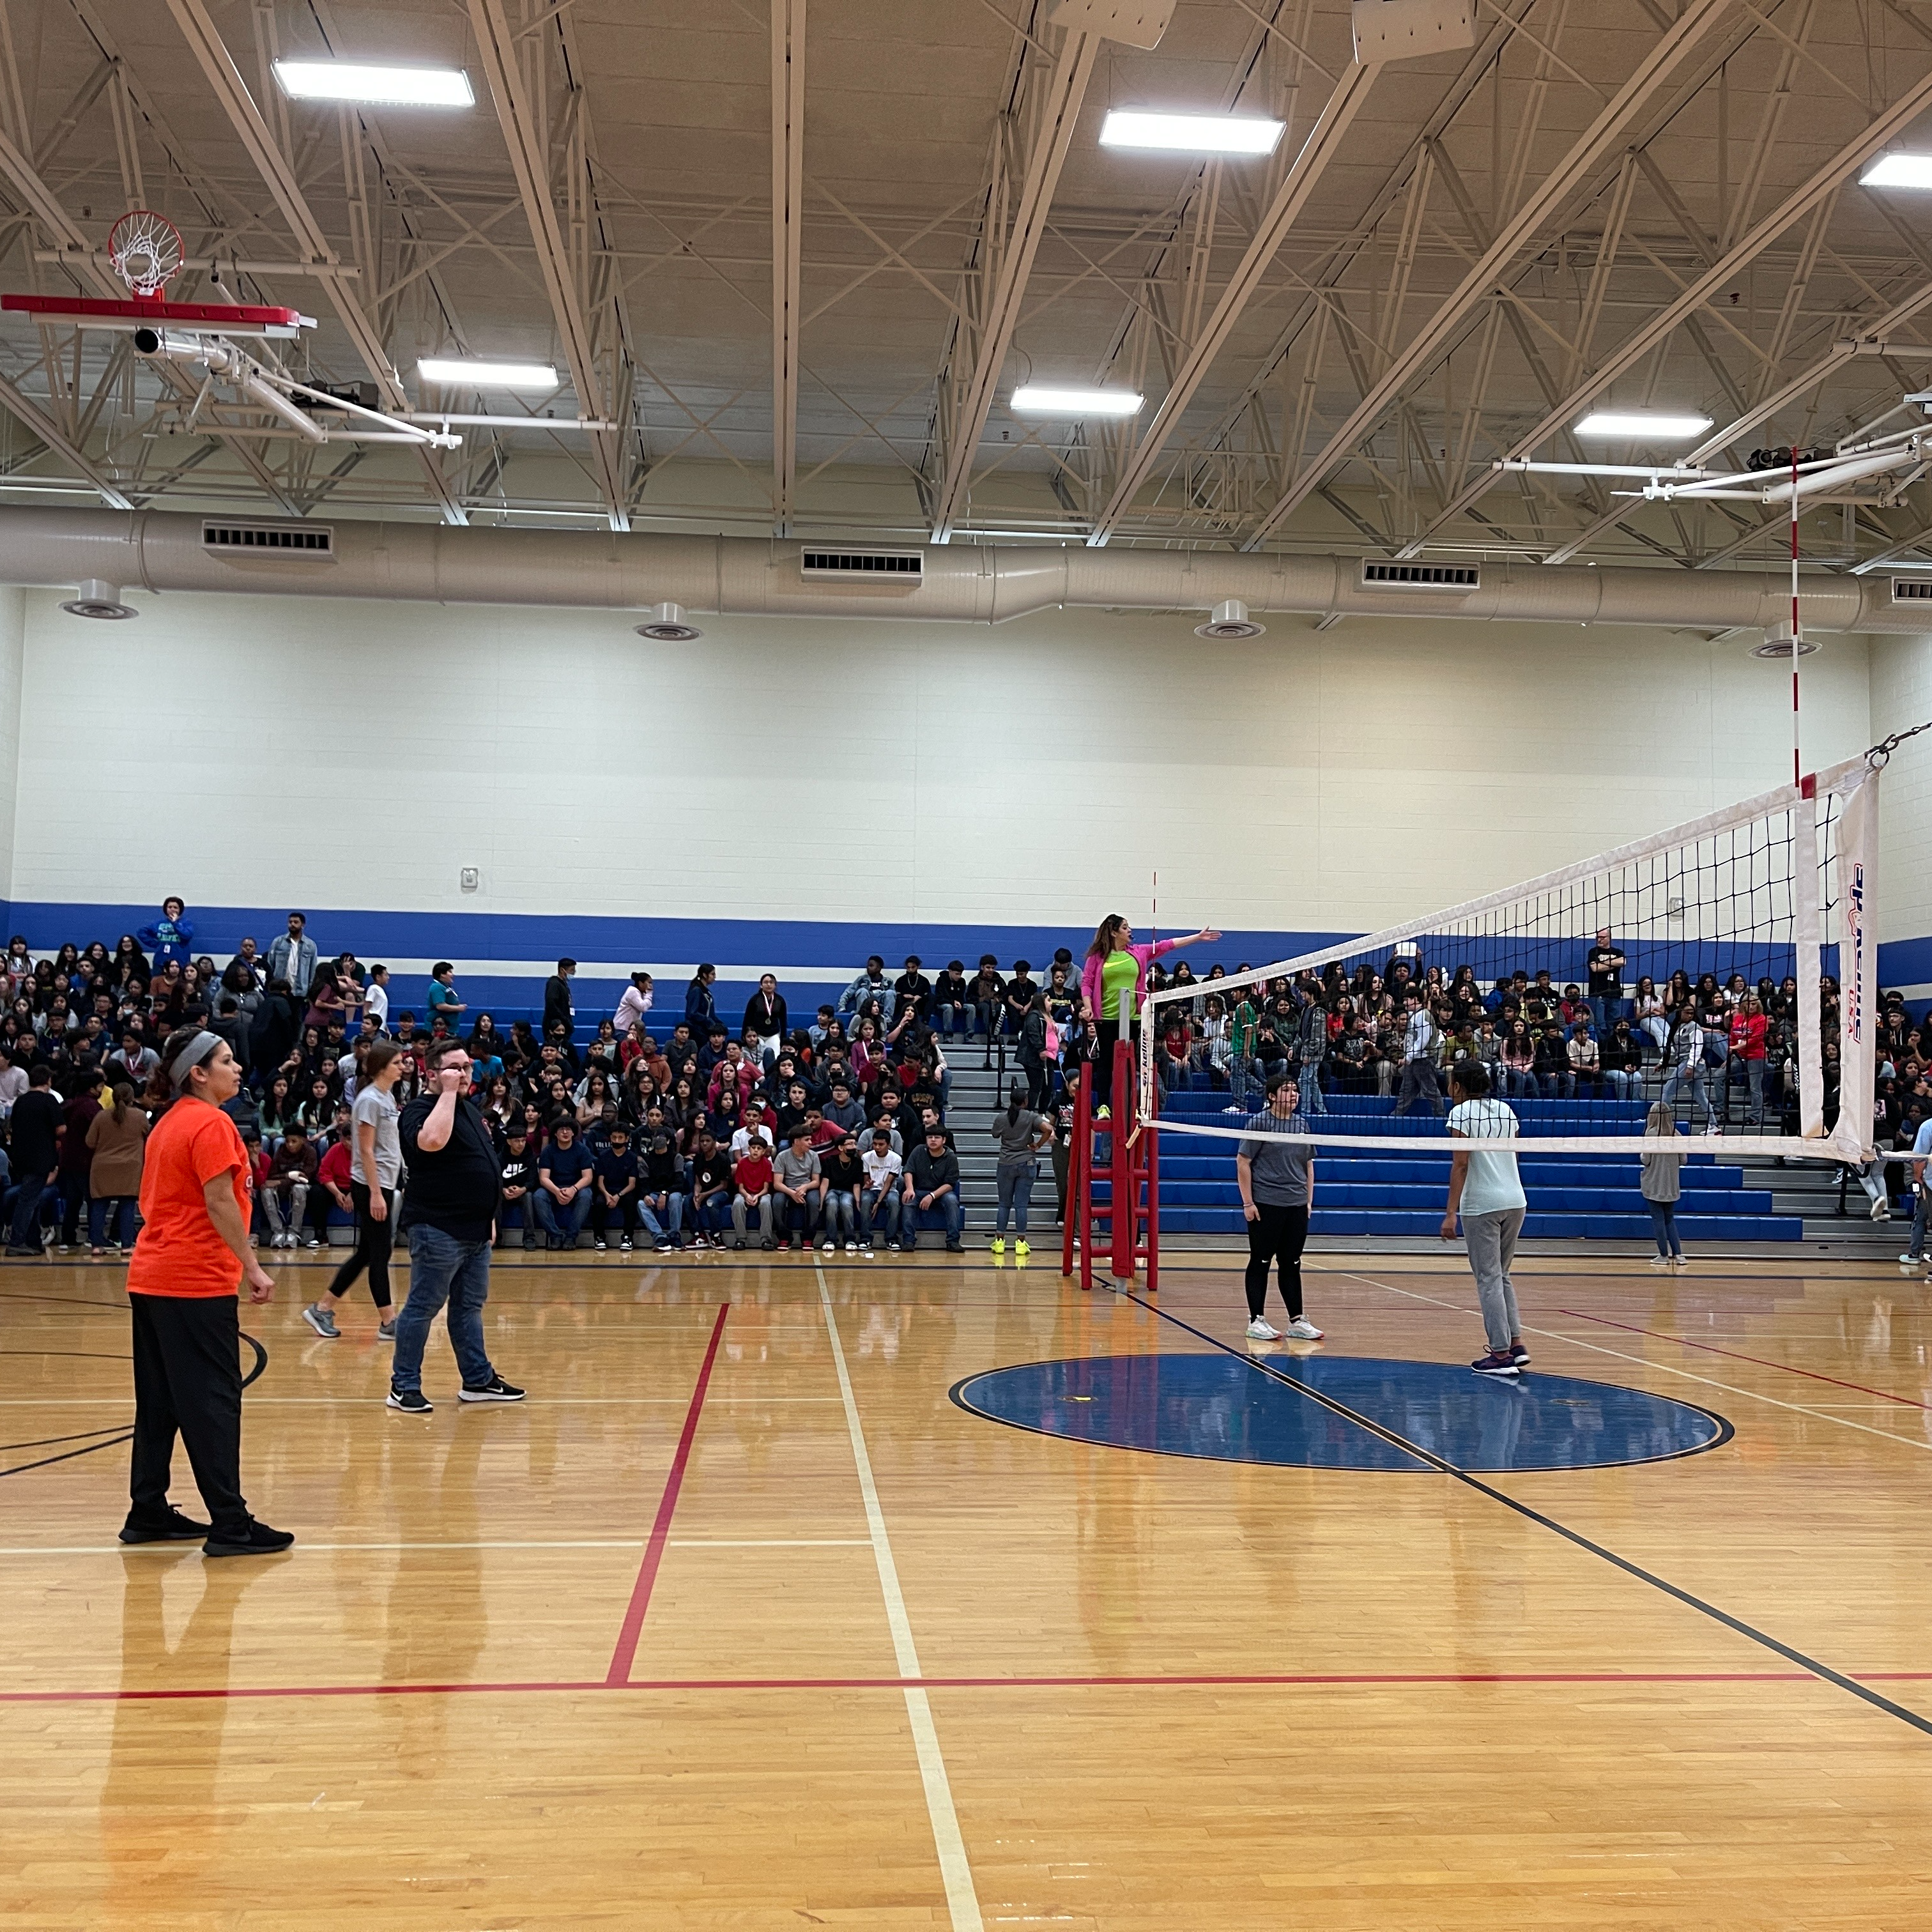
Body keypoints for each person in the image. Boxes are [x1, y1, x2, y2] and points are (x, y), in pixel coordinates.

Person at [121, 1027, 291, 1556]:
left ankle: (147, 1510)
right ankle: (231, 1524)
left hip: (151, 1277)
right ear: (198, 1073)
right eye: (225, 1060)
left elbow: (155, 1205)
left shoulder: (168, 1123)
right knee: (213, 1402)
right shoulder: (212, 1123)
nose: (237, 1068)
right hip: (193, 1282)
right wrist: (253, 1268)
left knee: (161, 1402)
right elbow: (220, 1201)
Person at [388, 1037, 522, 1413]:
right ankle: (404, 1386)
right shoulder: (418, 1109)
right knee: (422, 1308)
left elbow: (483, 1166)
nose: (464, 1074)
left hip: (475, 1230)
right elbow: (431, 1142)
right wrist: (447, 1092)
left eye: (466, 1067)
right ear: (432, 1073)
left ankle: (477, 1380)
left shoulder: (470, 1110)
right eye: (454, 1068)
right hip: (438, 1227)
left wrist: (489, 1219)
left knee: (468, 1308)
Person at [303, 1038, 405, 1338]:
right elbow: (367, 1151)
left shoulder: (386, 1097)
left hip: (384, 1182)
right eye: (397, 1063)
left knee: (367, 1253)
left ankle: (321, 1309)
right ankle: (389, 1323)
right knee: (378, 1254)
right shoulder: (370, 1099)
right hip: (372, 1185)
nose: (403, 1067)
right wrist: (375, 1193)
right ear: (381, 1067)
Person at [1440, 1061, 1529, 1379]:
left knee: (1489, 1278)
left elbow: (1461, 1165)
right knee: (1502, 1275)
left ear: (1458, 1087)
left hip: (1482, 1205)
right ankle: (1517, 1345)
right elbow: (1514, 1155)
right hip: (1515, 1200)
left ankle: (1501, 1354)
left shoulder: (1460, 1114)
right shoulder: (1506, 1110)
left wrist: (1451, 1214)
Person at [1235, 1071, 1324, 1343]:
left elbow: (1308, 1164)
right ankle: (1256, 1320)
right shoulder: (1259, 1123)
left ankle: (1297, 1320)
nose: (1294, 1094)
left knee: (1292, 1263)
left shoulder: (1302, 1125)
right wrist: (1248, 1202)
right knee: (1261, 1261)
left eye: (1295, 1090)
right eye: (1287, 1090)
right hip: (1266, 1203)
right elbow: (1243, 1162)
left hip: (1295, 1205)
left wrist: (1308, 1201)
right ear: (1272, 1096)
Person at [85, 1082, 149, 1257]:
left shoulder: (101, 1116)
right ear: (131, 1097)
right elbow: (148, 1136)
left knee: (99, 1205)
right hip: (130, 1167)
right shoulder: (140, 1116)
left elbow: (90, 1142)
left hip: (102, 1166)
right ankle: (127, 1245)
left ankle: (97, 1245)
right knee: (127, 1206)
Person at [990, 1078, 1051, 1258]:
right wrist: (1038, 1145)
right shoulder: (1031, 1117)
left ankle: (1000, 1242)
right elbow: (1048, 1128)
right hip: (1026, 1162)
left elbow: (995, 1135)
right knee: (1021, 1205)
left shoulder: (1002, 1118)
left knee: (1004, 1204)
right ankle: (1021, 1244)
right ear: (1025, 1101)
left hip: (1006, 1163)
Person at [6, 1062, 61, 1254]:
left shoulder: (20, 1101)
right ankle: (17, 1242)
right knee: (28, 1200)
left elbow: (11, 1126)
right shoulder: (49, 1101)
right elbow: (61, 1128)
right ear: (48, 1081)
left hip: (20, 1156)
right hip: (41, 1157)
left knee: (32, 1198)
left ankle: (32, 1241)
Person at [901, 1125, 963, 1252]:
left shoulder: (951, 1157)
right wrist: (910, 1188)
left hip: (941, 1193)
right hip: (918, 1190)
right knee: (908, 1200)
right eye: (930, 1137)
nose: (933, 1140)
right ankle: (908, 1241)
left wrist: (932, 1196)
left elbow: (950, 1184)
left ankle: (953, 1241)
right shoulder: (918, 1150)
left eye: (937, 1137)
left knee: (952, 1201)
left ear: (944, 1140)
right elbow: (908, 1170)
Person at [534, 1119, 595, 1248]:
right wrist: (557, 1191)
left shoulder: (582, 1150)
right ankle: (555, 1236)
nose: (565, 1132)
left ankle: (571, 1237)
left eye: (568, 1129)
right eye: (561, 1129)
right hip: (554, 1188)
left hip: (576, 1187)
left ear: (574, 1133)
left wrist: (573, 1189)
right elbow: (543, 1178)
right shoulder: (548, 1151)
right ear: (555, 1134)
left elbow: (588, 1177)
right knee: (539, 1196)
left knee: (586, 1195)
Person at [1642, 1098, 1686, 1269]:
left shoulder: (1650, 1135)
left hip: (1654, 1183)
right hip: (1671, 1184)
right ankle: (1679, 1254)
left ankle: (1663, 1255)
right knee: (1669, 1219)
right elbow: (1684, 1159)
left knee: (1658, 1219)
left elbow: (1646, 1159)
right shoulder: (1677, 1134)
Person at [261, 1126, 316, 1248]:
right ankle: (278, 1232)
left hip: (304, 1186)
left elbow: (305, 1178)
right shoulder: (280, 1151)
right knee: (266, 1190)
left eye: (294, 1141)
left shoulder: (310, 1152)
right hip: (283, 1187)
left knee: (298, 1189)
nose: (290, 1145)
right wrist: (289, 1176)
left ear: (303, 1140)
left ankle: (294, 1232)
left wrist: (281, 1181)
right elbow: (272, 1176)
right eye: (287, 1141)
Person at [772, 1122, 822, 1250]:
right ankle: (784, 1237)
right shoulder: (782, 1156)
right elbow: (777, 1184)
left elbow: (816, 1181)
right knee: (777, 1201)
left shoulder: (814, 1156)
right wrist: (792, 1193)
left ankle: (808, 1238)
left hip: (807, 1188)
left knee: (814, 1200)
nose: (811, 1142)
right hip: (787, 1189)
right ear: (796, 1141)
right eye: (807, 1140)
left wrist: (805, 1187)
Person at [590, 1126, 641, 1252]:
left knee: (630, 1201)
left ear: (627, 1139)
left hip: (624, 1191)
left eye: (620, 1138)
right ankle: (599, 1237)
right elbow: (600, 1182)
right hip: (606, 1190)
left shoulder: (632, 1157)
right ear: (610, 1138)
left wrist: (618, 1195)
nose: (617, 1140)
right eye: (614, 1137)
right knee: (599, 1202)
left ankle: (628, 1237)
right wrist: (607, 1195)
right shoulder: (603, 1156)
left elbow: (632, 1184)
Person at [861, 1125, 902, 1254]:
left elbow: (888, 1183)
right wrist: (867, 1184)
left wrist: (878, 1202)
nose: (877, 1147)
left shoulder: (896, 1159)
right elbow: (866, 1180)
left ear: (888, 1145)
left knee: (894, 1203)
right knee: (866, 1201)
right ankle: (865, 1239)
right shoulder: (867, 1157)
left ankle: (891, 1239)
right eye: (875, 1144)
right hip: (871, 1190)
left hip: (889, 1190)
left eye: (881, 1144)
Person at [731, 1134, 776, 1250]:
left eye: (759, 1148)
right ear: (749, 1148)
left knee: (766, 1203)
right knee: (737, 1203)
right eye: (753, 1147)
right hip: (745, 1192)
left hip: (762, 1193)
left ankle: (766, 1239)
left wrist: (757, 1196)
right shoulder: (742, 1163)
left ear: (764, 1151)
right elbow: (740, 1188)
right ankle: (740, 1239)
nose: (756, 1150)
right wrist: (747, 1195)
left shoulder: (767, 1163)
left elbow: (766, 1189)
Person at [1584, 928, 1627, 1038]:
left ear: (1609, 938)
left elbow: (1623, 961)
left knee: (1614, 1024)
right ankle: (1602, 1047)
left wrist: (1603, 963)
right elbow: (1595, 968)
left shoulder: (1617, 952)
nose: (1600, 940)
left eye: (1602, 937)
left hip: (1615, 993)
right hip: (1597, 993)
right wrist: (1613, 964)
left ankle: (1613, 1046)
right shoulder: (1593, 952)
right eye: (1598, 937)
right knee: (1598, 1023)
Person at [266, 912, 318, 999]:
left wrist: (310, 990)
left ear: (303, 925)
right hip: (278, 990)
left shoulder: (310, 945)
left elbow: (313, 970)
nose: (292, 924)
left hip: (300, 991)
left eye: (296, 922)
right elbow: (270, 965)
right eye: (290, 922)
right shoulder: (278, 942)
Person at [137, 896, 195, 972]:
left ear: (180, 910)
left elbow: (187, 935)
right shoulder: (159, 923)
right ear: (166, 909)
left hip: (181, 961)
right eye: (170, 907)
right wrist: (156, 944)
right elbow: (141, 932)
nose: (172, 909)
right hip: (161, 961)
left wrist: (175, 923)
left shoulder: (186, 923)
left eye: (175, 907)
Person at [426, 961, 466, 1035]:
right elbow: (440, 1006)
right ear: (442, 974)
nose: (452, 975)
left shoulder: (445, 987)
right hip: (439, 1032)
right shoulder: (437, 987)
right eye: (450, 972)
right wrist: (459, 1008)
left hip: (449, 1029)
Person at [614, 970, 654, 1037]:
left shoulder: (641, 994)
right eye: (649, 983)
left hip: (629, 1030)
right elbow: (643, 1008)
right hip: (622, 1030)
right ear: (641, 983)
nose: (651, 986)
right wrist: (649, 993)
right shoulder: (633, 991)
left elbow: (648, 1005)